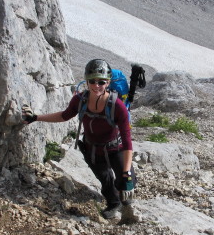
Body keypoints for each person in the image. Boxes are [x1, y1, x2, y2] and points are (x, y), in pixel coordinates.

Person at [22, 59, 137, 220]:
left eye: (101, 82)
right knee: (104, 179)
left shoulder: (117, 107)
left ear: (108, 82)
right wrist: (36, 117)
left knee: (126, 180)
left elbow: (127, 142)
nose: (96, 86)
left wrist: (126, 174)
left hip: (115, 148)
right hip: (92, 149)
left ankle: (127, 207)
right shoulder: (80, 100)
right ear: (86, 81)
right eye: (92, 81)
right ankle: (113, 203)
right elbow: (64, 116)